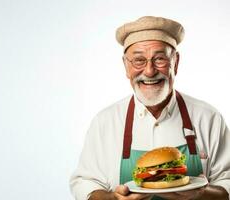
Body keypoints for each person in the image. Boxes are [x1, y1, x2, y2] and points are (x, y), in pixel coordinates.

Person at [69, 16, 230, 200]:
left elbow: (228, 182)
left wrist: (202, 194)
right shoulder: (105, 121)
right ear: (126, 66)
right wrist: (112, 199)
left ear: (175, 62)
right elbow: (85, 183)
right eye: (139, 60)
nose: (149, 71)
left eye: (159, 59)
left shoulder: (208, 118)